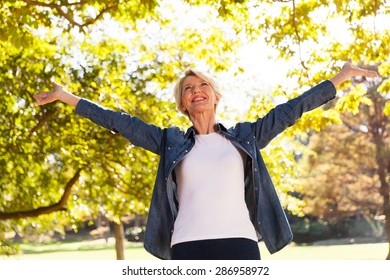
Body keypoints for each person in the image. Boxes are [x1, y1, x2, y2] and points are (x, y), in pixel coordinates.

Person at [33, 61, 378, 260]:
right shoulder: (169, 142)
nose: (196, 90)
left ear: (215, 96)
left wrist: (341, 77)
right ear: (183, 103)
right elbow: (120, 122)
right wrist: (66, 96)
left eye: (203, 85)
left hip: (240, 243)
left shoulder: (246, 137)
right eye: (188, 88)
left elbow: (292, 110)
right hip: (187, 244)